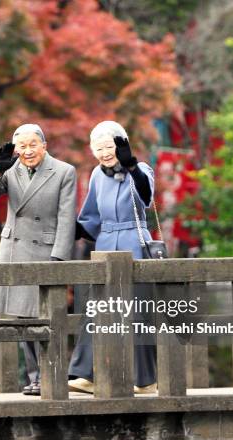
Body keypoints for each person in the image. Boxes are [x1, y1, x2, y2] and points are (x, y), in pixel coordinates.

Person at [0, 124, 77, 396]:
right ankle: (34, 376)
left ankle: (50, 374)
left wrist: (59, 256)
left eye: (33, 144)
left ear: (44, 145)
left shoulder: (63, 171)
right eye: (22, 146)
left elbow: (67, 217)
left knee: (46, 316)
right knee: (22, 317)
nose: (27, 151)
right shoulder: (11, 169)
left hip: (45, 250)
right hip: (15, 250)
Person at [69, 120, 157, 395]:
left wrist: (131, 166)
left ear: (121, 145)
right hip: (106, 244)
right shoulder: (96, 175)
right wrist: (65, 228)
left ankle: (145, 381)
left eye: (109, 146)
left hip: (135, 241)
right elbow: (90, 219)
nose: (104, 153)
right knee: (96, 310)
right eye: (98, 148)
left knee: (137, 313)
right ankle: (86, 375)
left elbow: (146, 197)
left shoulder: (140, 170)